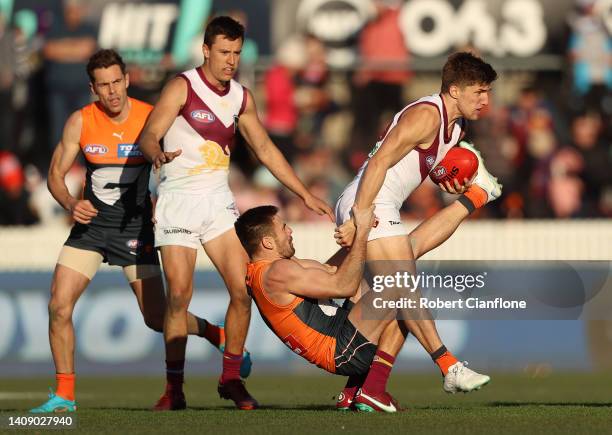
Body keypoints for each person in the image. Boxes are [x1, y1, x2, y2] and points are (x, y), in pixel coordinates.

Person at [138, 16, 333, 410]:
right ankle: (174, 390)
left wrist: (302, 192)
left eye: (237, 53)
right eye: (224, 52)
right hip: (177, 200)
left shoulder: (242, 97)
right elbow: (148, 133)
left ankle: (230, 380)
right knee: (178, 296)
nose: (231, 60)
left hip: (217, 203)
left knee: (243, 290)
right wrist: (154, 153)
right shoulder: (182, 86)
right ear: (206, 50)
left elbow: (265, 149)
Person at [29, 49, 236, 413]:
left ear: (126, 80)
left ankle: (213, 332)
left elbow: (180, 161)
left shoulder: (150, 118)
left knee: (157, 318)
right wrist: (69, 203)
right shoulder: (80, 122)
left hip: (136, 229)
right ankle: (64, 395)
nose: (112, 92)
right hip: (92, 228)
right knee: (59, 306)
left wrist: (167, 199)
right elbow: (54, 176)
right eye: (103, 85)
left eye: (116, 82)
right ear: (93, 88)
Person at [332, 51, 502, 408]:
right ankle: (448, 365)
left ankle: (363, 391)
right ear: (454, 90)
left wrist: (449, 181)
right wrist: (358, 217)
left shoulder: (456, 129)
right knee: (403, 287)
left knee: (400, 300)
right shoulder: (426, 115)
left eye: (487, 92)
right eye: (479, 91)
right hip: (369, 200)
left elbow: (423, 167)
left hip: (381, 204)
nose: (485, 100)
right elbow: (379, 161)